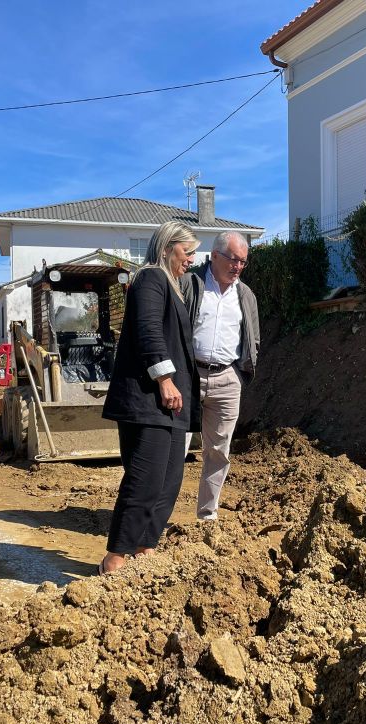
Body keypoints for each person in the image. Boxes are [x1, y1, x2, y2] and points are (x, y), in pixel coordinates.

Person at [99, 221, 200, 574]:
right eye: (187, 251)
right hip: (148, 399)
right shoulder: (151, 278)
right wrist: (165, 379)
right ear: (167, 247)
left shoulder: (175, 286)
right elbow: (148, 331)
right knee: (145, 480)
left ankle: (145, 549)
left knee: (168, 482)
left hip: (170, 404)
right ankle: (114, 559)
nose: (192, 259)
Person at [180, 231, 260, 521]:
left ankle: (207, 515)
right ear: (214, 256)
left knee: (218, 451)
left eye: (243, 261)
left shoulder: (245, 295)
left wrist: (239, 373)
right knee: (175, 447)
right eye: (233, 259)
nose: (237, 266)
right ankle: (157, 514)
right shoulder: (190, 284)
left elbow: (253, 337)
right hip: (188, 376)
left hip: (227, 378)